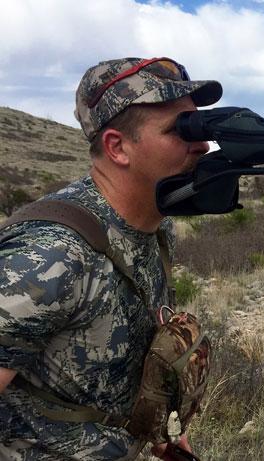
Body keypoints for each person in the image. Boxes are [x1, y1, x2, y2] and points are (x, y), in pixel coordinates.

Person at [0, 57, 221, 460]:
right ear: (117, 147)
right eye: (181, 130)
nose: (203, 145)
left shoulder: (153, 225)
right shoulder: (51, 254)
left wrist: (154, 432)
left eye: (200, 126)